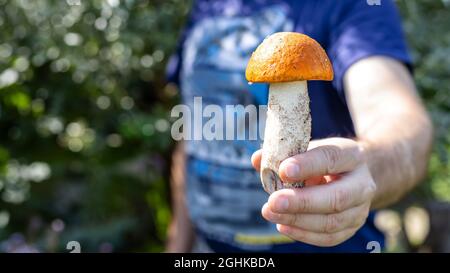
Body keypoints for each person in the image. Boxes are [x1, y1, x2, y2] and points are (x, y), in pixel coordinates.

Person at [165, 0, 433, 252]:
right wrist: (178, 242)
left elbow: (396, 115)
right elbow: (193, 127)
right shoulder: (208, 5)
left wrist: (369, 163)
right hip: (208, 246)